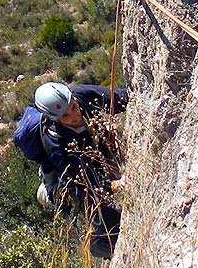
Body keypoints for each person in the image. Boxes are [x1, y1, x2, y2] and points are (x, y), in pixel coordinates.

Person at [31, 82, 128, 258]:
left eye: (73, 107)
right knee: (109, 224)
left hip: (94, 149)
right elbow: (87, 185)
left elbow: (119, 99)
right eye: (66, 116)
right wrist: (116, 185)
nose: (74, 116)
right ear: (55, 120)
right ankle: (99, 246)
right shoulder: (57, 145)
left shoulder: (81, 95)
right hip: (74, 177)